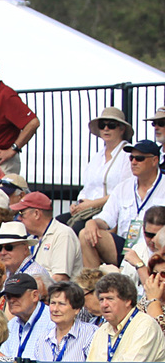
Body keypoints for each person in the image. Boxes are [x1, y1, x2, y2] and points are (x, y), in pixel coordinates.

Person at [81, 138, 165, 267]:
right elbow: (106, 219)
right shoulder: (122, 188)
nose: (134, 162)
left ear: (155, 161)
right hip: (125, 247)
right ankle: (92, 284)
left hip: (154, 248)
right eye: (131, 158)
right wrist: (91, 222)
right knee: (85, 234)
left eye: (140, 158)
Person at [70, 106, 132, 229]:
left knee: (76, 229)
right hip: (87, 210)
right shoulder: (97, 157)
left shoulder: (128, 155)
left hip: (108, 212)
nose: (106, 129)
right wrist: (78, 204)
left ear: (122, 129)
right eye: (102, 125)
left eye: (112, 125)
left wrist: (92, 204)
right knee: (58, 224)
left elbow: (124, 191)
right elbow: (87, 187)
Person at [38, 282, 97, 363]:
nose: (55, 309)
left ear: (77, 309)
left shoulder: (91, 333)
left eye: (61, 304)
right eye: (52, 303)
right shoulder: (43, 338)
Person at [18, 192, 82, 283]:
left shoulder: (63, 234)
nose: (19, 218)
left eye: (21, 213)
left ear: (36, 214)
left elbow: (60, 278)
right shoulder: (33, 237)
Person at [0, 222, 52, 289]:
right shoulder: (7, 272)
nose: (2, 252)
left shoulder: (35, 275)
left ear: (25, 249)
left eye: (9, 247)